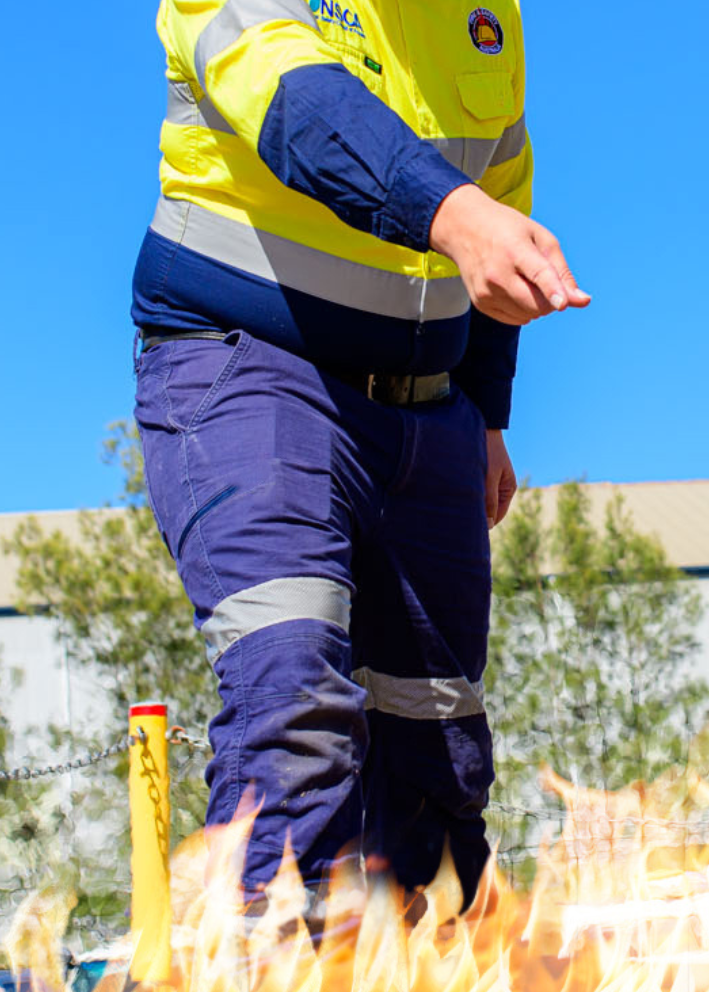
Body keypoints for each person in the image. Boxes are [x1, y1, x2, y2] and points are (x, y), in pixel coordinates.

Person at [132, 0, 586, 907]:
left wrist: (489, 413)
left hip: (432, 417)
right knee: (293, 712)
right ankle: (281, 981)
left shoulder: (486, 13)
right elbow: (300, 108)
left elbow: (505, 202)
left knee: (441, 759)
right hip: (253, 375)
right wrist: (454, 216)